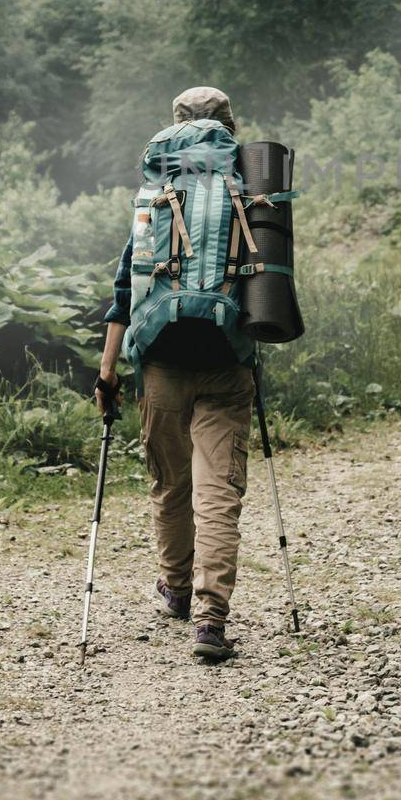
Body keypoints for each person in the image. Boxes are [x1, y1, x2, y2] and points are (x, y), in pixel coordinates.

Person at [95, 85, 255, 663]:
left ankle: (177, 588)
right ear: (229, 126)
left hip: (160, 363)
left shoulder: (155, 195)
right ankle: (211, 621)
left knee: (171, 484)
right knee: (219, 493)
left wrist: (108, 374)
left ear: (175, 126)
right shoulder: (247, 189)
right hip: (228, 362)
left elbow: (124, 293)